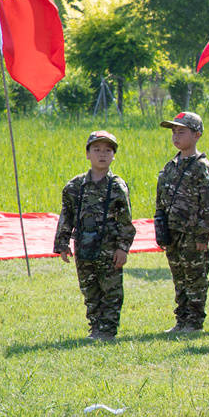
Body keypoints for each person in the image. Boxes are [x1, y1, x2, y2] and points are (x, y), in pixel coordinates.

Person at [54, 131, 135, 341]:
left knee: (111, 290)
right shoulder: (75, 186)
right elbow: (67, 215)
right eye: (96, 150)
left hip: (109, 250)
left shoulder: (117, 186)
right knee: (89, 290)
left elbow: (125, 221)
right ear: (88, 154)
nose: (102, 154)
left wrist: (123, 248)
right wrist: (62, 243)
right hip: (84, 248)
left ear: (113, 156)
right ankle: (95, 327)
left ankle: (107, 330)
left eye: (108, 150)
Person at [155, 111, 209, 334]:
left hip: (192, 235)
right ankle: (181, 320)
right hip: (173, 233)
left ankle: (194, 322)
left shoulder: (202, 167)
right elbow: (160, 199)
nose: (176, 136)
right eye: (174, 132)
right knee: (179, 278)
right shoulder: (170, 166)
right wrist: (161, 229)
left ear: (197, 135)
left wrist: (203, 236)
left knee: (195, 279)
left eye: (181, 132)